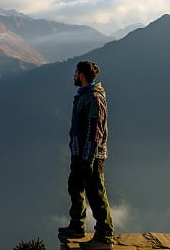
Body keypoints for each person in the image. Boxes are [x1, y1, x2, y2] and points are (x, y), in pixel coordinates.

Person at [58, 60, 114, 249]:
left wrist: (88, 160)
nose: (73, 76)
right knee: (75, 187)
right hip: (79, 154)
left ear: (81, 74)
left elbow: (95, 131)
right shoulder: (85, 95)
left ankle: (105, 235)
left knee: (96, 193)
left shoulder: (94, 98)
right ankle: (77, 226)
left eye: (75, 72)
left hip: (90, 156)